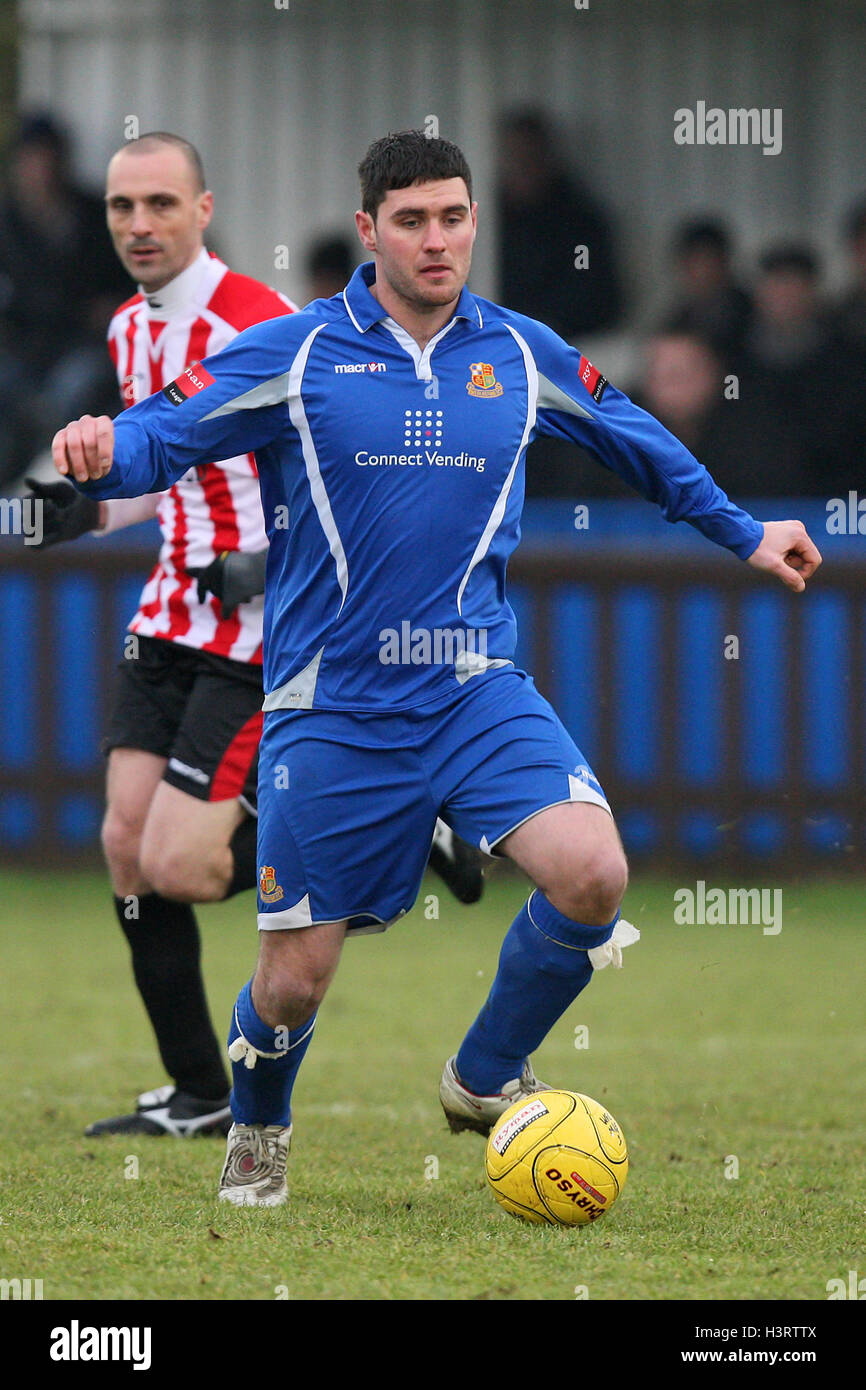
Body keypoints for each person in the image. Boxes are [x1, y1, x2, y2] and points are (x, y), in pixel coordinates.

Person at [54, 131, 822, 1206]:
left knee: (592, 872)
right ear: (368, 231)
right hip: (332, 704)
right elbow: (168, 433)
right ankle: (259, 1130)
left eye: (453, 218)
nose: (435, 240)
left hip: (472, 688)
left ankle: (483, 1071)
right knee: (293, 978)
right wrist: (103, 450)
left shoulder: (515, 351)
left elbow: (630, 430)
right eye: (410, 220)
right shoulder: (298, 350)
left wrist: (741, 531)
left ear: (473, 223)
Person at [34, 130, 482, 1142]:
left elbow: (341, 475)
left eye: (159, 204)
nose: (138, 225)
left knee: (182, 867)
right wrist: (76, 512)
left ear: (204, 208)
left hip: (258, 633)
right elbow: (167, 471)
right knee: (122, 844)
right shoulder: (126, 329)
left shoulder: (264, 320)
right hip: (168, 616)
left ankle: (400, 833)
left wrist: (276, 563)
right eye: (120, 208)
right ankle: (197, 1090)